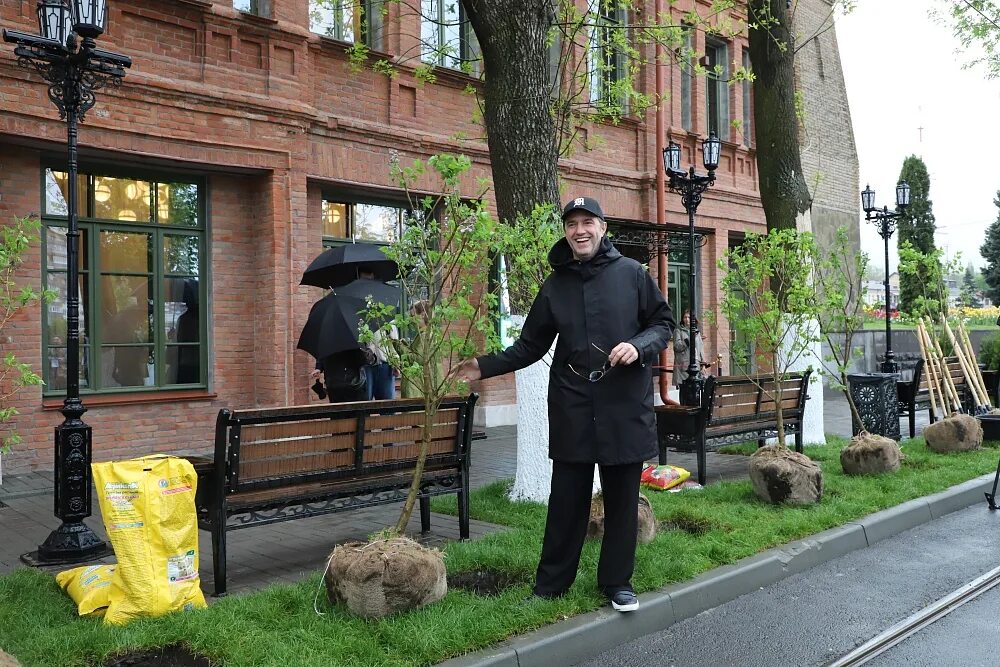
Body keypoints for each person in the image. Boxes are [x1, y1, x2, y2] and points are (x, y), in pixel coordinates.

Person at [454, 196, 674, 613]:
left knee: (622, 502)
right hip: (573, 405)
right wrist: (483, 366)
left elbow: (663, 323)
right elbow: (530, 345)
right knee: (566, 503)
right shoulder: (556, 286)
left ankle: (617, 583)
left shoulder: (631, 275)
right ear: (567, 233)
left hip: (623, 406)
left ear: (602, 228)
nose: (580, 231)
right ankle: (551, 585)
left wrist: (638, 346)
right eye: (572, 224)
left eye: (587, 222)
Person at [672, 310, 708, 388]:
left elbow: (701, 349)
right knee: (685, 391)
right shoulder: (678, 331)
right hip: (684, 366)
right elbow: (677, 347)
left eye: (689, 317)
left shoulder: (696, 332)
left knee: (697, 389)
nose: (687, 319)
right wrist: (689, 340)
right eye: (685, 317)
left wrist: (703, 364)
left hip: (696, 365)